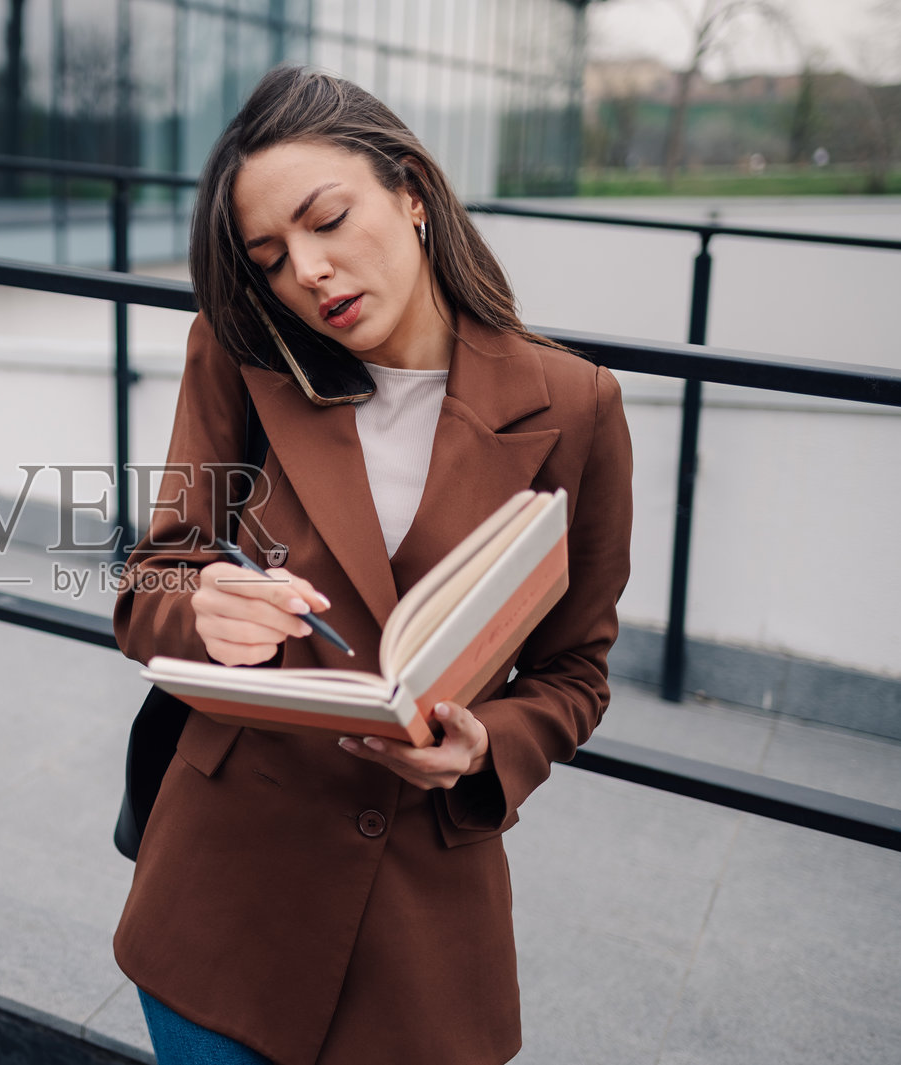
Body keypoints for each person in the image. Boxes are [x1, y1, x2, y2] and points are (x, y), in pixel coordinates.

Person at [112, 67, 634, 1065]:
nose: (305, 271)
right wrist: (201, 609)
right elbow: (154, 580)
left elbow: (575, 678)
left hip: (419, 932)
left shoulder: (575, 407)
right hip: (218, 899)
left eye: (327, 219)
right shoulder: (241, 356)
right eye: (268, 258)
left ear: (410, 192)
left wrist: (481, 747)